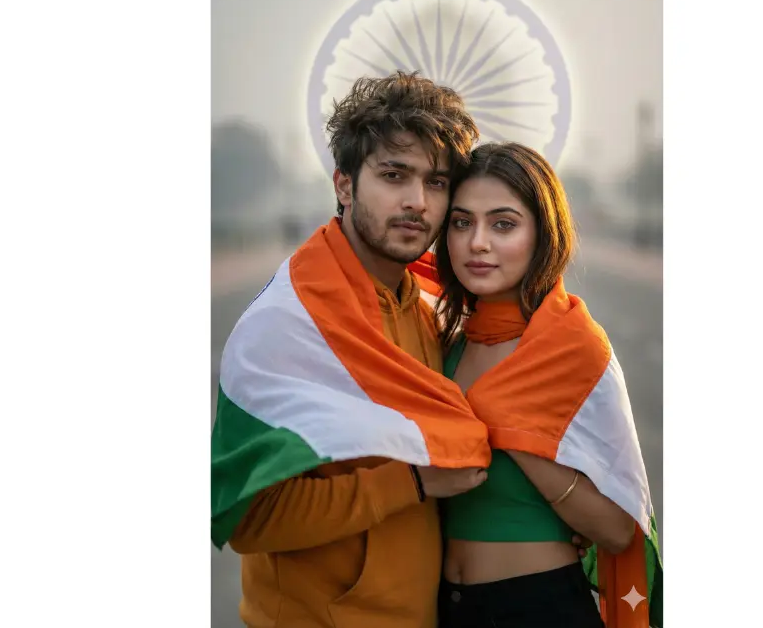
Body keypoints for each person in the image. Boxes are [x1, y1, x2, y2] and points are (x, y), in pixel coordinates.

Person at [210, 71, 493, 628]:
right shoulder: (290, 323)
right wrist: (410, 482)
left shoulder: (430, 306)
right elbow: (249, 516)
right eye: (394, 175)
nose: (417, 201)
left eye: (436, 183)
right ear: (344, 185)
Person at [428, 142, 664, 628]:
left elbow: (620, 530)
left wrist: (516, 432)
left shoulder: (574, 348)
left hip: (541, 607)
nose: (477, 242)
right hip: (443, 609)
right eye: (461, 222)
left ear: (542, 234)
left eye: (503, 224)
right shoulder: (443, 348)